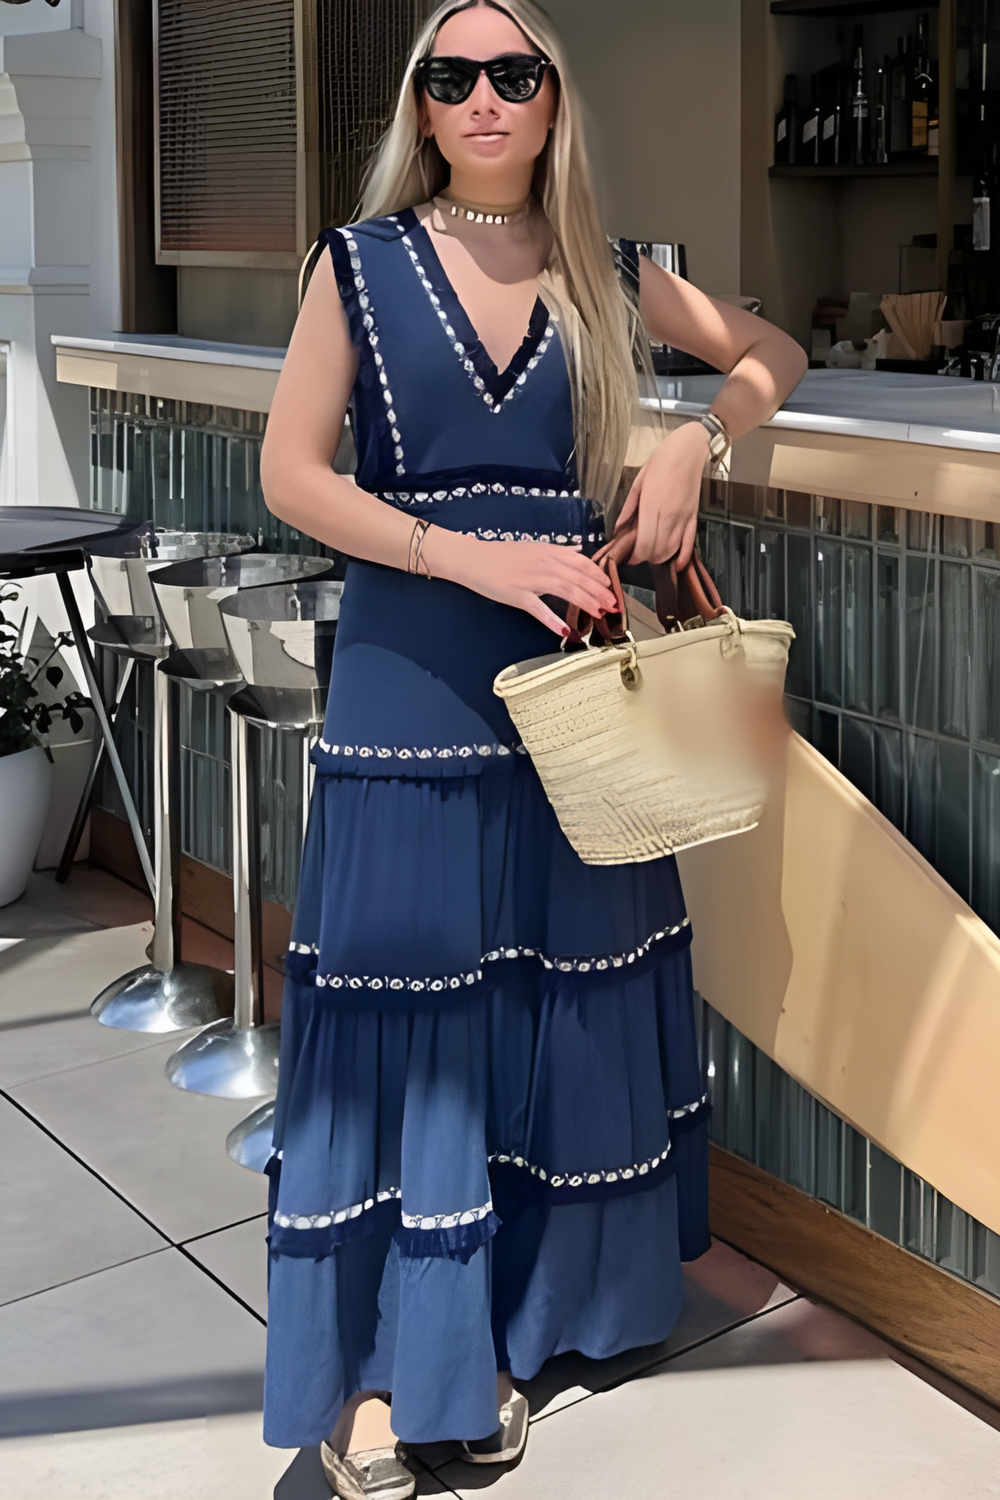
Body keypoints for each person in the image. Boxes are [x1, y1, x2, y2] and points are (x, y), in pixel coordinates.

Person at [260, 3, 806, 1495]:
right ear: (423, 109)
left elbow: (773, 349)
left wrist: (695, 441)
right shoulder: (358, 263)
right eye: (454, 77)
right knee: (412, 1002)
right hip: (412, 681)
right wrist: (470, 558)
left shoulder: (609, 273)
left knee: (554, 980)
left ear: (554, 100)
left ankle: (538, 1315)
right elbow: (293, 475)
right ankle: (391, 1368)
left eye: (516, 73)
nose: (486, 98)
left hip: (568, 688)